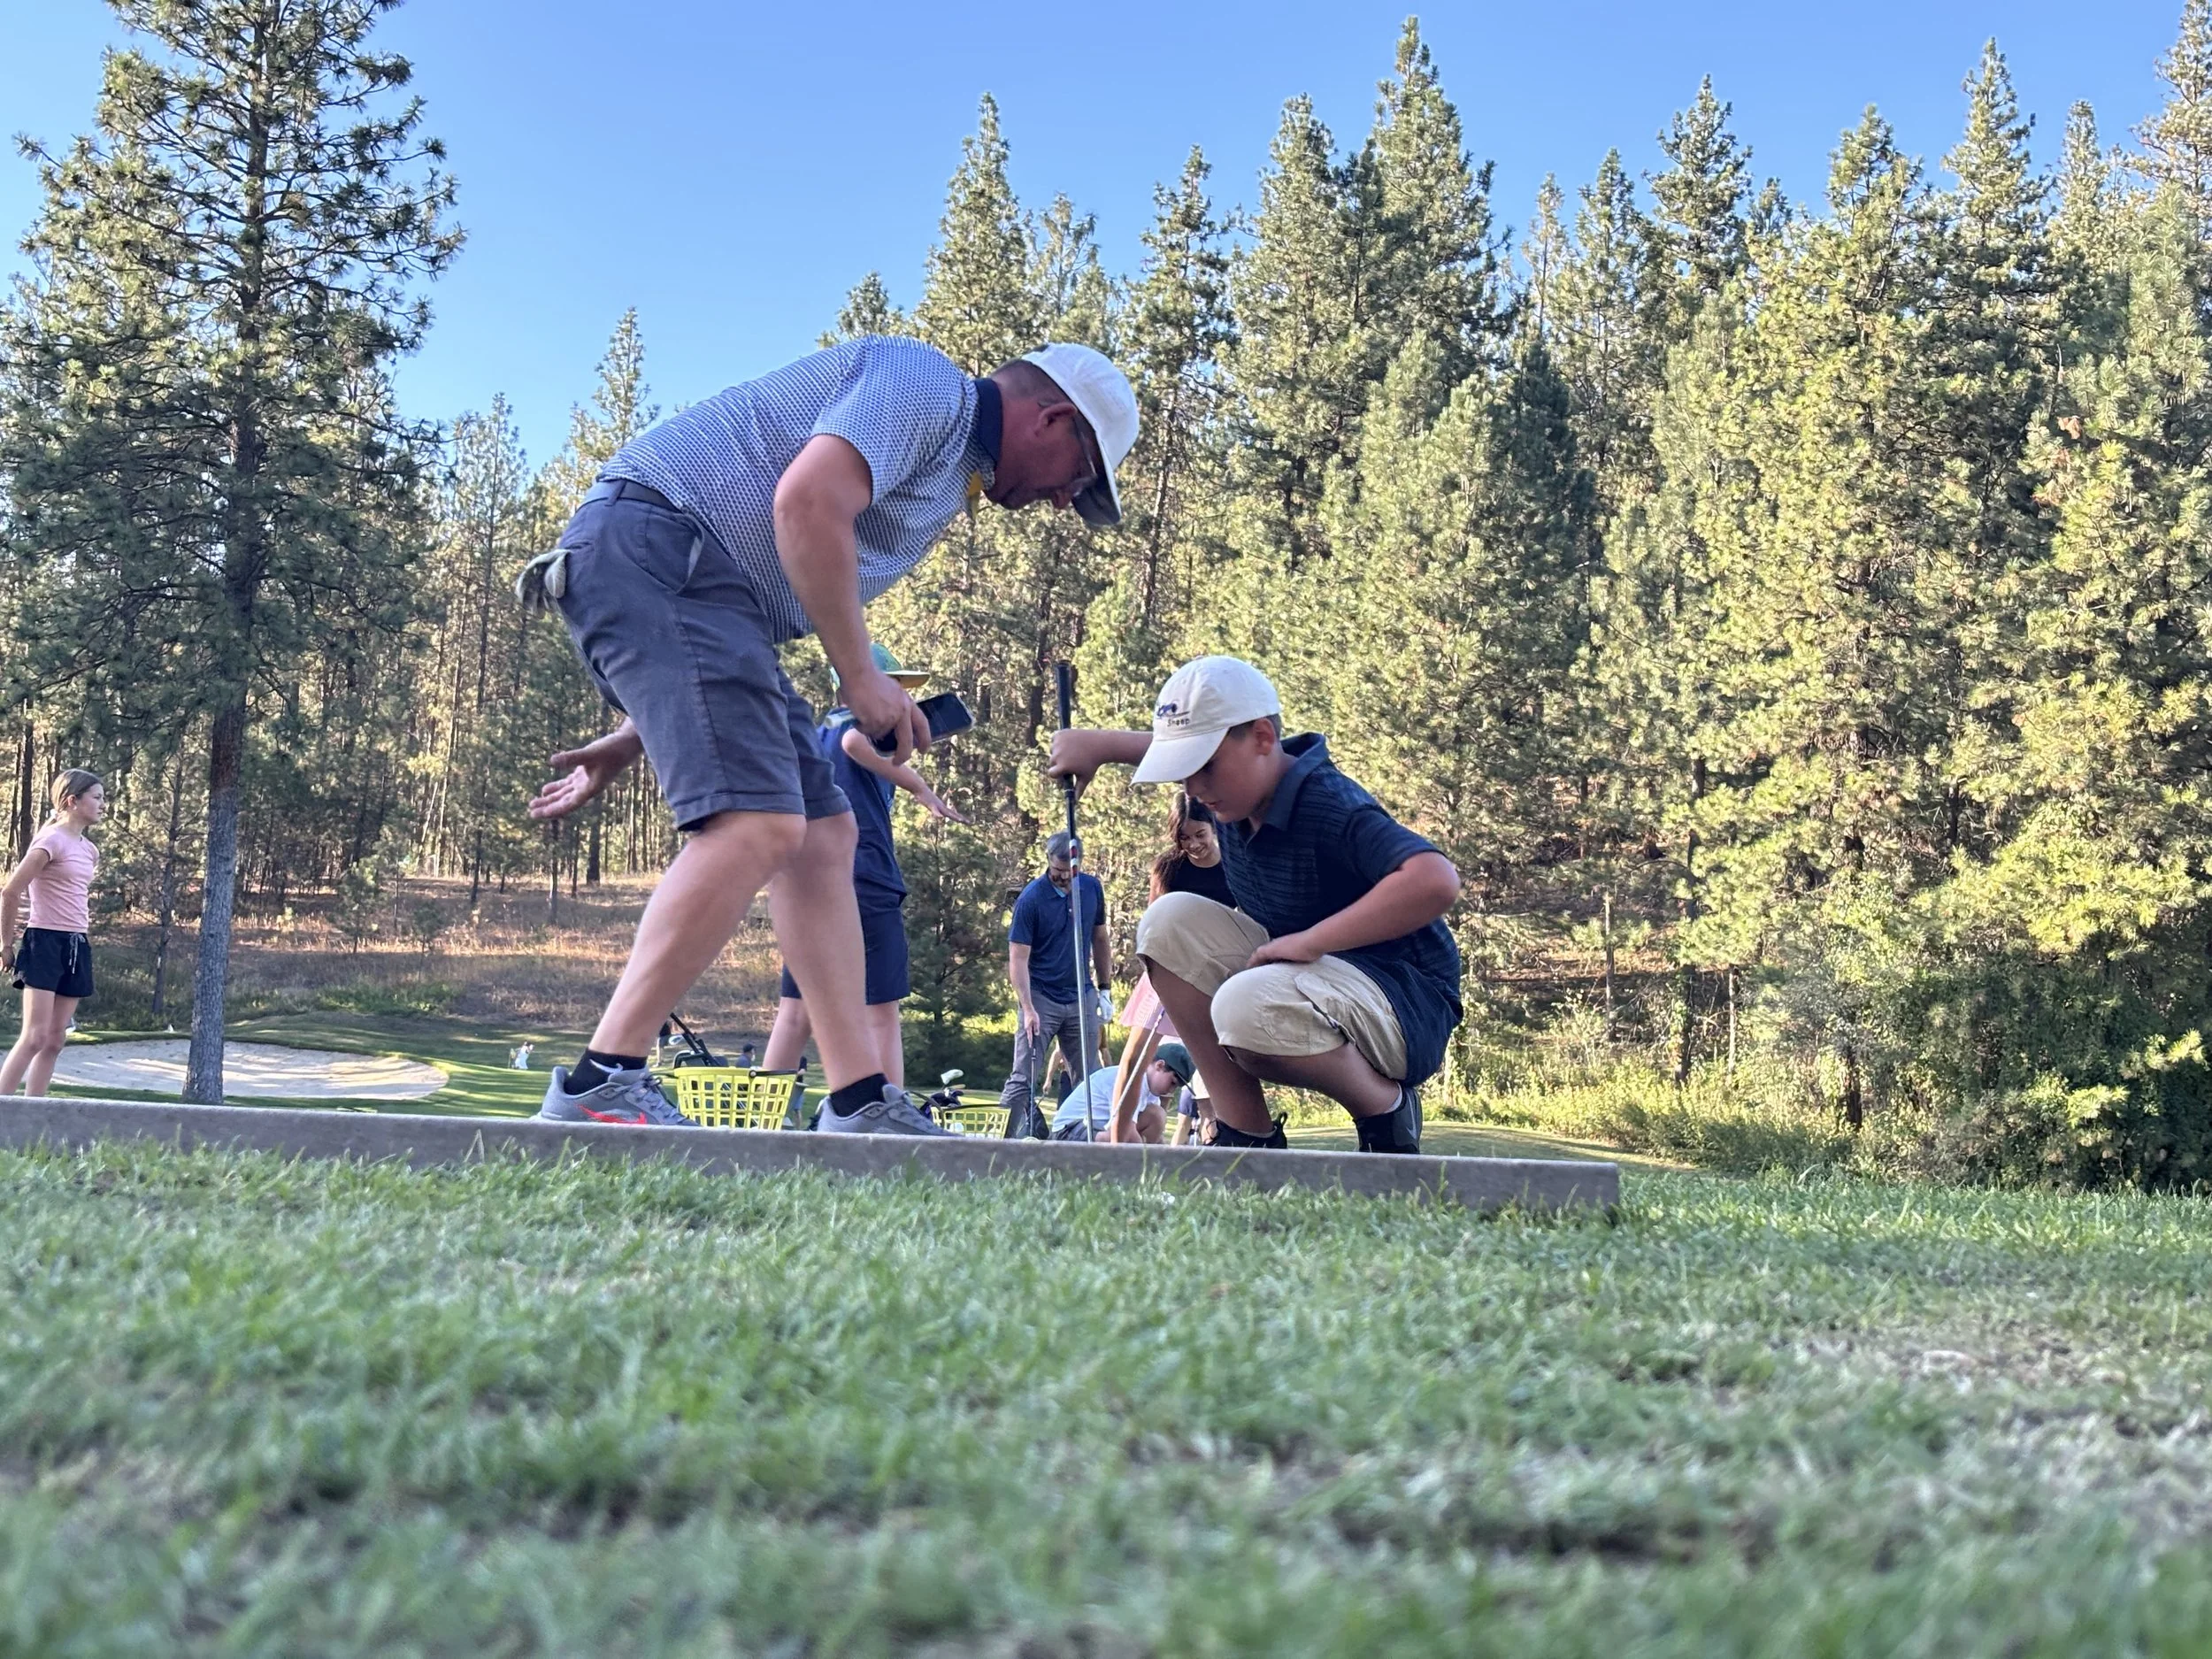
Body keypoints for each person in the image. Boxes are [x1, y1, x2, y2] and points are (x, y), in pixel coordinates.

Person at [519, 334, 1137, 1134]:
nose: (1063, 502)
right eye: (1078, 479)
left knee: (823, 830)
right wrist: (859, 675)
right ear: (1052, 418)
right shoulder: (928, 387)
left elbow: (720, 638)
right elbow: (804, 503)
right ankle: (601, 1080)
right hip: (663, 549)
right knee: (758, 823)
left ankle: (859, 1100)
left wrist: (632, 734)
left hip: (700, 587)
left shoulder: (947, 469)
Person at [1048, 656, 1462, 1154]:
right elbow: (1183, 752)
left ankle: (1385, 1112)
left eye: (1203, 766)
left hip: (1403, 1000)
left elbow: (1434, 881)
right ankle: (1247, 1134)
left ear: (1264, 738)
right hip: (1318, 980)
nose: (1193, 789)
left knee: (1244, 1007)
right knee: (1166, 922)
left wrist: (1309, 943)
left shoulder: (1325, 802)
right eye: (1183, 771)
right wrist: (1101, 745)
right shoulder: (1234, 788)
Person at [759, 644, 964, 1089]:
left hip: (809, 881)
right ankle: (886, 1118)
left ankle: (758, 1125)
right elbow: (855, 742)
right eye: (895, 689)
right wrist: (920, 787)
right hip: (864, 878)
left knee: (796, 1012)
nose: (901, 702)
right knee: (880, 1013)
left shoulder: (815, 737)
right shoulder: (858, 727)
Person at [1103, 792, 1229, 1141]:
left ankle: (1224, 1134)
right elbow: (1154, 924)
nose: (1194, 845)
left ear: (1214, 827)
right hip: (1168, 968)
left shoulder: (1235, 862)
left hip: (1214, 975)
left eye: (1200, 835)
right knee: (1135, 1056)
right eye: (1184, 838)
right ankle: (1117, 1139)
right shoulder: (1169, 867)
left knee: (1219, 1060)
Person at [997, 829, 1110, 1138]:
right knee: (1023, 1077)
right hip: (1041, 997)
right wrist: (1028, 1007)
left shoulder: (1091, 889)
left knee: (1089, 1078)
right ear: (1049, 861)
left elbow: (1100, 938)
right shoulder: (1031, 899)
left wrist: (1105, 988)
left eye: (1068, 871)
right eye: (1057, 871)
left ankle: (1089, 1143)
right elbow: (1018, 959)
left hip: (1080, 996)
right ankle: (998, 1144)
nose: (1062, 877)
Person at [0, 770, 104, 1098]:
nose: (104, 805)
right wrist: (5, 944)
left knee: (56, 1039)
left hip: (77, 944)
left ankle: (35, 1113)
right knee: (34, 1036)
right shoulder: (50, 841)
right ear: (73, 801)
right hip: (44, 941)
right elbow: (10, 892)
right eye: (97, 798)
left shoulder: (90, 850)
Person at [1050, 1042, 1195, 1143]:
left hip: (1099, 1128)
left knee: (1156, 1116)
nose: (1171, 1090)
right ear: (1159, 1065)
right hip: (1070, 1130)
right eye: (1172, 1083)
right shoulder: (1130, 1080)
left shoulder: (1151, 1092)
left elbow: (1155, 1135)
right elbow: (1129, 1134)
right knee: (1128, 1135)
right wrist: (1148, 1164)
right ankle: (1131, 1174)